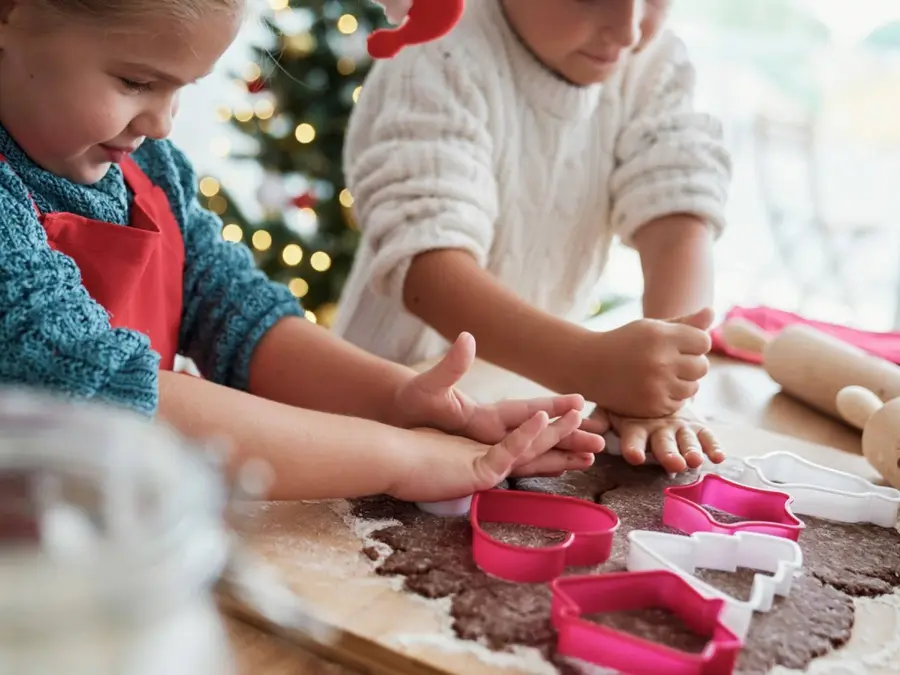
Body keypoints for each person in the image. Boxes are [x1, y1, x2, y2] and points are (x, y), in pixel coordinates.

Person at [0, 0, 607, 504]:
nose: (162, 122)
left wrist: (398, 401)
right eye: (135, 82)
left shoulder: (147, 165)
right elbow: (102, 395)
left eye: (182, 88)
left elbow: (234, 314)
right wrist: (403, 459)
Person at [335, 0, 732, 474]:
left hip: (533, 413)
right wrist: (592, 366)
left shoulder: (652, 60)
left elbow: (676, 209)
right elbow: (427, 267)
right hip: (385, 409)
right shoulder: (436, 48)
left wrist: (666, 384)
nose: (628, 31)